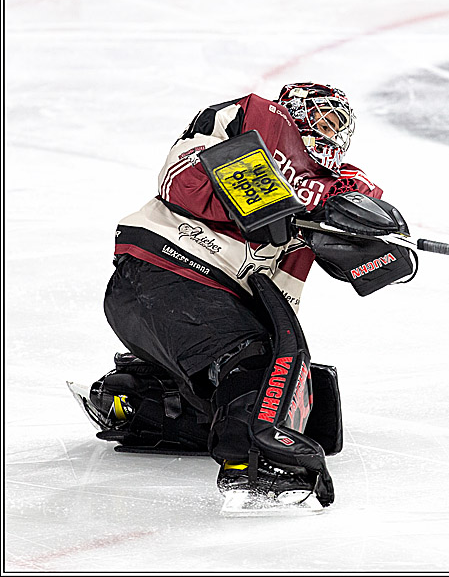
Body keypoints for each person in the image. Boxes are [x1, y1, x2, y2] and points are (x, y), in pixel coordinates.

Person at [80, 82, 417, 511]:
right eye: (323, 118)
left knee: (312, 405)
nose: (330, 132)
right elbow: (181, 181)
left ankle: (140, 399)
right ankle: (253, 466)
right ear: (296, 110)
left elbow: (376, 257)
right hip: (168, 273)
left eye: (338, 125)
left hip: (216, 306)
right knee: (254, 368)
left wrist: (375, 247)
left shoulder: (338, 188)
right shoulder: (250, 119)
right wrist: (275, 205)